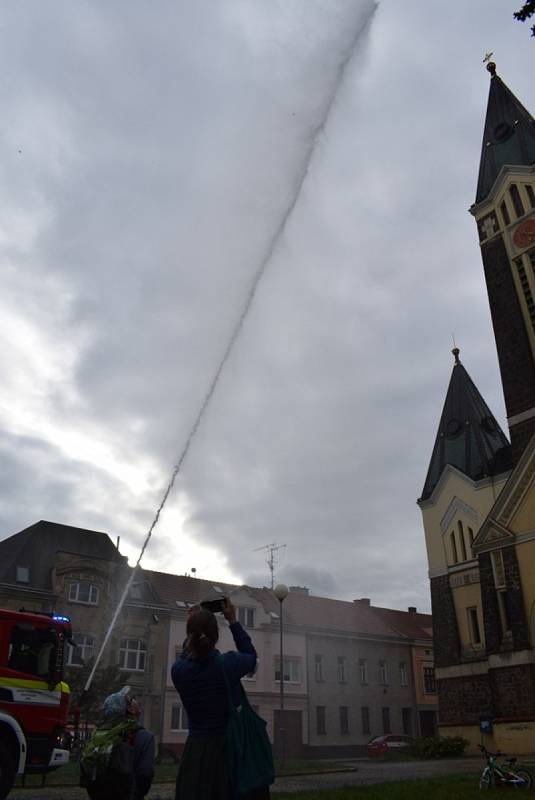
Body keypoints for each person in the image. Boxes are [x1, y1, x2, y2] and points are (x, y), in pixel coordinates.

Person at [171, 598, 270, 800]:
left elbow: (187, 654)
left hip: (196, 754)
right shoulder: (228, 664)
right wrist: (233, 621)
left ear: (190, 636)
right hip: (230, 751)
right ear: (216, 635)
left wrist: (193, 626)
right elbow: (253, 659)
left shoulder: (178, 671)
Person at [82, 685, 155, 800]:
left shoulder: (98, 735)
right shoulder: (145, 737)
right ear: (129, 709)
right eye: (131, 699)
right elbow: (145, 773)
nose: (135, 700)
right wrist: (136, 794)